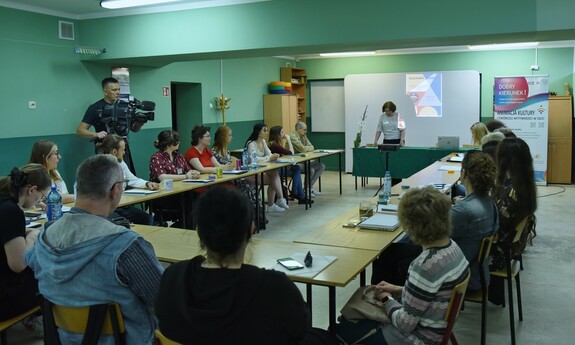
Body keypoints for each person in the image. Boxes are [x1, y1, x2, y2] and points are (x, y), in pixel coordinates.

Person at [155, 186, 337, 345]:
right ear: (251, 229)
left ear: (199, 231)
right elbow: (300, 328)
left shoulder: (173, 278)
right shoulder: (275, 287)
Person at [25, 154, 164, 345]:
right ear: (115, 191)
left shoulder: (44, 238)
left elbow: (29, 262)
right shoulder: (127, 246)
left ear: (78, 188)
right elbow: (163, 302)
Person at [337, 186, 468, 345]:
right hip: (437, 330)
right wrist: (399, 289)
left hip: (417, 339)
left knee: (340, 329)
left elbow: (404, 324)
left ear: (411, 226)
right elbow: (432, 293)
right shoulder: (453, 248)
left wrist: (386, 299)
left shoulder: (425, 265)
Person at [489, 138, 537, 305]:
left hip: (498, 254)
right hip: (511, 249)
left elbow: (493, 228)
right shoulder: (523, 185)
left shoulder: (511, 193)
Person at [1, 164, 50, 323]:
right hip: (4, 297)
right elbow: (19, 264)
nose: (39, 201)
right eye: (41, 196)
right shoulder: (11, 211)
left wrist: (24, 232)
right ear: (32, 190)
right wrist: (32, 238)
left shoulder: (4, 202)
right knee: (51, 275)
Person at [450, 150, 498, 290]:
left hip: (459, 278)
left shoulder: (463, 210)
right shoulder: (490, 203)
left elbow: (430, 237)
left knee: (395, 254)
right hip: (478, 274)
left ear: (463, 173)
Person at [96, 134, 159, 225]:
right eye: (123, 150)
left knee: (146, 219)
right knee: (122, 223)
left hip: (121, 206)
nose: (124, 152)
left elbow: (132, 179)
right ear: (114, 152)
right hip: (106, 209)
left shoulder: (121, 163)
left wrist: (147, 183)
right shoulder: (98, 165)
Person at [211, 125, 266, 228]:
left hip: (232, 177)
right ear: (223, 137)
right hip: (223, 180)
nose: (232, 137)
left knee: (252, 185)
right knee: (246, 187)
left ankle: (257, 217)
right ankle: (247, 220)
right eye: (230, 135)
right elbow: (218, 168)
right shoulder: (213, 152)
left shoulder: (227, 151)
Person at [149, 130, 200, 228]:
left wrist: (194, 173)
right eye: (177, 141)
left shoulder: (178, 156)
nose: (179, 142)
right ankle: (181, 229)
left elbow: (187, 170)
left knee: (198, 199)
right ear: (169, 143)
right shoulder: (157, 157)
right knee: (190, 205)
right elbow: (162, 177)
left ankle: (186, 228)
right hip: (163, 196)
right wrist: (185, 176)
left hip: (180, 192)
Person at [246, 123, 289, 213]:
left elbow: (269, 153)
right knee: (274, 178)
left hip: (260, 170)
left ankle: (276, 202)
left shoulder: (263, 142)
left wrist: (274, 156)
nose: (267, 133)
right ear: (258, 132)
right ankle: (276, 201)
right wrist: (268, 158)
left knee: (274, 174)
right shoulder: (251, 144)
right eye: (264, 130)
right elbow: (254, 159)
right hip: (251, 173)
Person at [268, 125, 312, 204]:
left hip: (279, 167)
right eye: (282, 132)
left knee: (296, 168)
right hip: (275, 170)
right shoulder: (274, 145)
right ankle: (298, 194)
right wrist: (288, 140)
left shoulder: (276, 143)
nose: (284, 133)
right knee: (296, 169)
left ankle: (296, 193)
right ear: (277, 134)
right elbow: (291, 154)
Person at [28, 140, 74, 204]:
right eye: (56, 153)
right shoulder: (36, 176)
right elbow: (52, 199)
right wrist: (77, 197)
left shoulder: (55, 172)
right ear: (44, 157)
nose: (59, 157)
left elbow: (65, 194)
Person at [289, 121, 325, 197]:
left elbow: (312, 146)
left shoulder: (303, 136)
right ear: (299, 129)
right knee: (311, 169)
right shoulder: (292, 136)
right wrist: (306, 148)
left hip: (303, 161)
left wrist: (306, 148)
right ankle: (306, 189)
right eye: (304, 129)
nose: (306, 131)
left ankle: (309, 187)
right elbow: (302, 149)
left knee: (321, 166)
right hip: (295, 163)